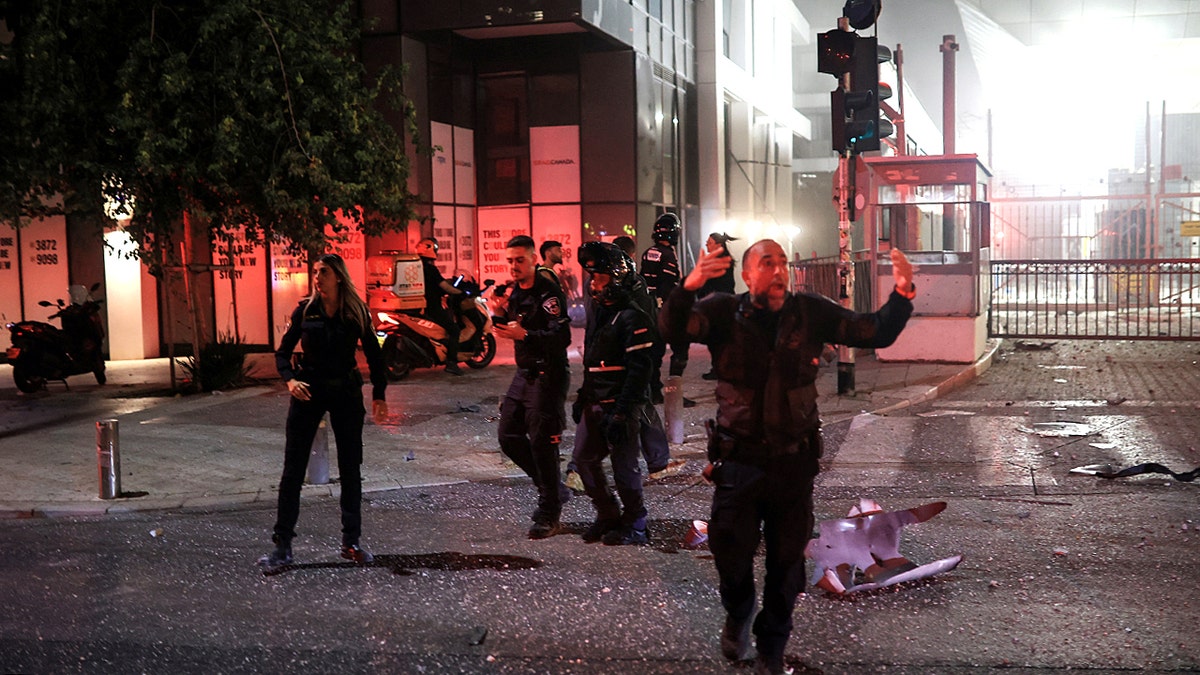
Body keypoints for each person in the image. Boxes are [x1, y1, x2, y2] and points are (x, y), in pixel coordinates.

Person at [659, 240, 915, 674]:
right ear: (747, 275)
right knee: (730, 555)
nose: (778, 270)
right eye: (766, 263)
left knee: (786, 567)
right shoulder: (722, 312)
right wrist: (689, 286)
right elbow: (674, 328)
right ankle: (739, 611)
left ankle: (771, 646)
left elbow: (873, 331)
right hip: (737, 464)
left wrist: (903, 294)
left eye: (782, 263)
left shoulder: (810, 312)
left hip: (793, 466)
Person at [260, 253, 389, 573]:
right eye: (315, 272)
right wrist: (289, 381)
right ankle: (283, 546)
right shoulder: (305, 309)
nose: (317, 277)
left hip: (345, 392)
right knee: (293, 470)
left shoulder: (356, 311)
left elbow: (374, 355)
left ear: (339, 277)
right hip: (309, 391)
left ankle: (351, 542)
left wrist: (380, 395)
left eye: (324, 272)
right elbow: (283, 353)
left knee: (350, 469)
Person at [571, 241, 655, 546]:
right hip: (595, 401)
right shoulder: (600, 313)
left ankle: (636, 524)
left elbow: (639, 371)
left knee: (624, 469)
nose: (594, 285)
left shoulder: (634, 318)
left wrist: (622, 412)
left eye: (601, 278)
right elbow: (592, 359)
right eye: (592, 278)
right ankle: (607, 514)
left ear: (617, 279)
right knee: (583, 460)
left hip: (621, 406)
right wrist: (583, 394)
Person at [492, 235, 573, 539]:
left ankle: (550, 512)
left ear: (533, 260)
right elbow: (507, 328)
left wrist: (525, 335)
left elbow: (561, 338)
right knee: (508, 436)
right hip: (523, 374)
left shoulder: (548, 292)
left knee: (542, 443)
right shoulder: (515, 292)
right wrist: (498, 311)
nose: (513, 266)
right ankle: (552, 488)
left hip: (548, 374)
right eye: (510, 260)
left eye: (519, 260)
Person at [640, 213, 685, 403]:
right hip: (665, 309)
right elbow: (668, 285)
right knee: (681, 349)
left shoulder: (648, 252)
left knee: (655, 352)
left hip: (649, 308)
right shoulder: (668, 255)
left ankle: (654, 391)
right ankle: (674, 393)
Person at [416, 237, 465, 375]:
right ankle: (452, 362)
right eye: (435, 248)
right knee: (454, 330)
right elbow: (444, 287)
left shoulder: (416, 268)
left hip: (419, 308)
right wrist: (461, 292)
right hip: (432, 308)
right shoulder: (431, 270)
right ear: (430, 249)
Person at [697, 232, 738, 380]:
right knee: (718, 339)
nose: (707, 244)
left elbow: (709, 283)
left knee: (717, 339)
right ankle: (721, 367)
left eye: (710, 242)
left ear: (718, 245)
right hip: (718, 303)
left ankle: (721, 368)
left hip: (719, 305)